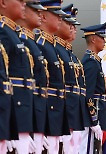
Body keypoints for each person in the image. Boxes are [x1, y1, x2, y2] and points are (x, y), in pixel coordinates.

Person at [54, 4, 91, 154]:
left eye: (74, 25)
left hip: (75, 116)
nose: (73, 28)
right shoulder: (55, 50)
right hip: (62, 115)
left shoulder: (71, 55)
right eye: (69, 24)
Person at [0, 0, 35, 153]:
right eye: (20, 1)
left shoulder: (10, 33)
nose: (24, 4)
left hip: (16, 112)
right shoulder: (4, 32)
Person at [35, 0, 70, 153]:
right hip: (46, 112)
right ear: (43, 16)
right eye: (56, 15)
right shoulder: (40, 44)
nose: (60, 19)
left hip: (56, 113)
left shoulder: (51, 47)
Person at [15, 1, 49, 153]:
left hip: (34, 115)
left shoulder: (31, 42)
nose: (40, 15)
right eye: (36, 11)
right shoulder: (19, 40)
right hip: (22, 117)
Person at [80, 23, 106, 154]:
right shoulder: (91, 62)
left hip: (98, 114)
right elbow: (88, 93)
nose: (104, 41)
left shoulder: (96, 61)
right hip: (92, 116)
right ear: (93, 39)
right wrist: (93, 120)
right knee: (88, 149)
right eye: (102, 37)